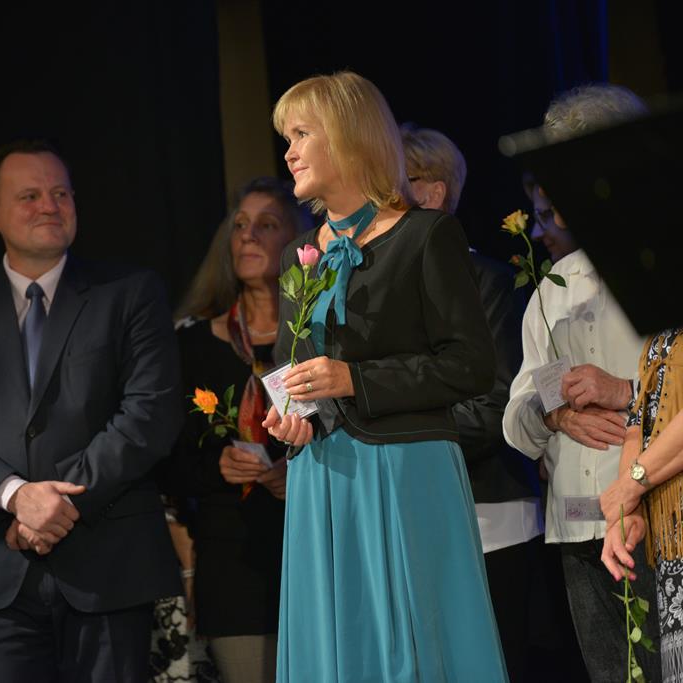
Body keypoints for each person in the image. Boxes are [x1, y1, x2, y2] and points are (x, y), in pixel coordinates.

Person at [0, 139, 183, 683]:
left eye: (60, 193)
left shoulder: (130, 292)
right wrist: (15, 497)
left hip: (109, 564)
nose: (49, 206)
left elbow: (150, 412)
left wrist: (55, 506)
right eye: (29, 196)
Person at [262, 70, 507, 681]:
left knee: (414, 645)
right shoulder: (299, 253)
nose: (289, 153)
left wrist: (356, 380)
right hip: (321, 477)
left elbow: (470, 365)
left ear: (348, 136)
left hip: (405, 469)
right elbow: (290, 371)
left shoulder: (426, 235)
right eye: (287, 138)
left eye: (301, 134)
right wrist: (291, 419)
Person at [501, 84, 659, 682]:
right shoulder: (553, 287)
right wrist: (556, 415)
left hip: (655, 513)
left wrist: (625, 392)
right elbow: (517, 419)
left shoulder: (663, 264)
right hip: (577, 528)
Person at [403, 125, 542, 680]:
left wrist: (398, 437)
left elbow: (498, 407)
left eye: (397, 183)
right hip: (413, 513)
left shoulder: (490, 282)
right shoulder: (383, 287)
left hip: (490, 515)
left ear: (433, 193)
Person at [158, 177, 310, 683]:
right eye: (240, 225)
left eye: (267, 224)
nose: (248, 236)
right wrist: (216, 466)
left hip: (316, 549)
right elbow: (166, 465)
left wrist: (302, 473)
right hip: (233, 563)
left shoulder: (320, 333)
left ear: (298, 239)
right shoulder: (192, 345)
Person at [600, 328, 683, 682]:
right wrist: (626, 511)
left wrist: (632, 483)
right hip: (673, 545)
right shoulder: (662, 326)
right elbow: (639, 421)